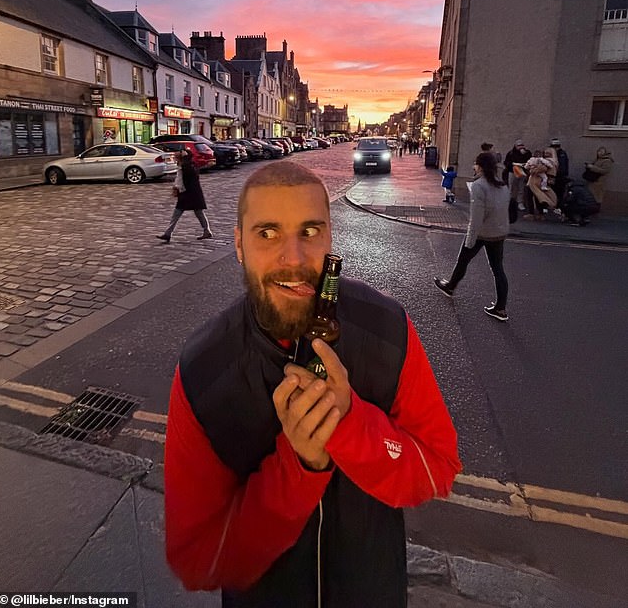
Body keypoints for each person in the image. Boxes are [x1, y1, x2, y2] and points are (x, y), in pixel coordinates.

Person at [165, 162, 461, 607]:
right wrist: (299, 467)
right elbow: (198, 558)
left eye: (309, 231)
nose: (294, 258)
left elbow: (436, 468)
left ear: (329, 238)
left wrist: (350, 425)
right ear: (239, 245)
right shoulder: (202, 368)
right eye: (267, 233)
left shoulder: (388, 327)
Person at [434, 151, 510, 322]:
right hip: (499, 233)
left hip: (482, 233)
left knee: (463, 260)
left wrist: (470, 240)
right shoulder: (502, 185)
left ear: (481, 167)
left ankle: (450, 287)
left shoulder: (478, 186)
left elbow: (476, 218)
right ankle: (501, 308)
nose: (474, 167)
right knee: (498, 269)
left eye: (475, 164)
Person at [156, 147, 213, 243]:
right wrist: (176, 188)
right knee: (192, 213)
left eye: (178, 158)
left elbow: (188, 174)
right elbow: (179, 179)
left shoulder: (189, 165)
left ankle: (168, 234)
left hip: (190, 194)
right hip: (188, 193)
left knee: (192, 213)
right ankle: (168, 233)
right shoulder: (185, 165)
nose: (176, 159)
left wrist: (185, 157)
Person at [503, 139, 531, 212]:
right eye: (519, 145)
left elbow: (530, 161)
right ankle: (508, 202)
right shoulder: (511, 153)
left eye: (522, 145)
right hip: (512, 172)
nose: (521, 147)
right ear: (515, 146)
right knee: (511, 188)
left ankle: (520, 203)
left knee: (521, 188)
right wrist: (513, 166)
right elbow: (506, 163)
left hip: (522, 172)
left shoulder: (527, 153)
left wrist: (525, 155)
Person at [549, 138, 569, 207]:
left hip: (561, 177)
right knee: (552, 192)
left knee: (560, 193)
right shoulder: (549, 153)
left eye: (557, 146)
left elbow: (565, 165)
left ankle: (559, 207)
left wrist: (565, 175)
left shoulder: (562, 153)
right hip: (552, 176)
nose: (556, 148)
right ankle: (553, 206)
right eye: (554, 146)